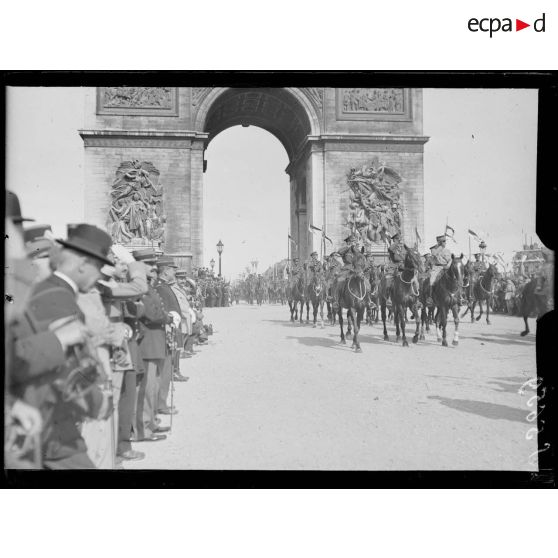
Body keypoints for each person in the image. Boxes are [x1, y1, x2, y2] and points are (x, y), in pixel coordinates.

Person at [11, 223, 115, 469]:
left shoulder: (46, 290)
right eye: (99, 267)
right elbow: (70, 368)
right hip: (50, 424)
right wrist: (98, 402)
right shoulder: (59, 298)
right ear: (82, 264)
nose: (100, 275)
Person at [134, 250, 170, 442]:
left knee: (153, 387)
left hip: (155, 342)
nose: (155, 271)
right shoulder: (141, 288)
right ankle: (143, 429)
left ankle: (151, 422)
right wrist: (168, 318)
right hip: (147, 344)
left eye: (156, 269)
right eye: (151, 267)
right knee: (146, 389)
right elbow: (153, 314)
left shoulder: (150, 288)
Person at [155, 256, 182, 415]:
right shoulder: (161, 287)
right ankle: (161, 404)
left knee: (167, 369)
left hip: (171, 330)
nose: (174, 271)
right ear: (165, 271)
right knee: (164, 370)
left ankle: (161, 402)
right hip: (167, 332)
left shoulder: (164, 286)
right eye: (172, 269)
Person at [426, 234, 452, 306]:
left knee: (456, 278)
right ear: (439, 242)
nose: (445, 243)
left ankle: (459, 297)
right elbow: (434, 254)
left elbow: (450, 260)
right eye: (443, 241)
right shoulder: (434, 249)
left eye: (445, 241)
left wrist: (448, 265)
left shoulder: (447, 250)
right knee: (432, 280)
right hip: (437, 268)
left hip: (446, 267)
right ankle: (430, 298)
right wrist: (440, 247)